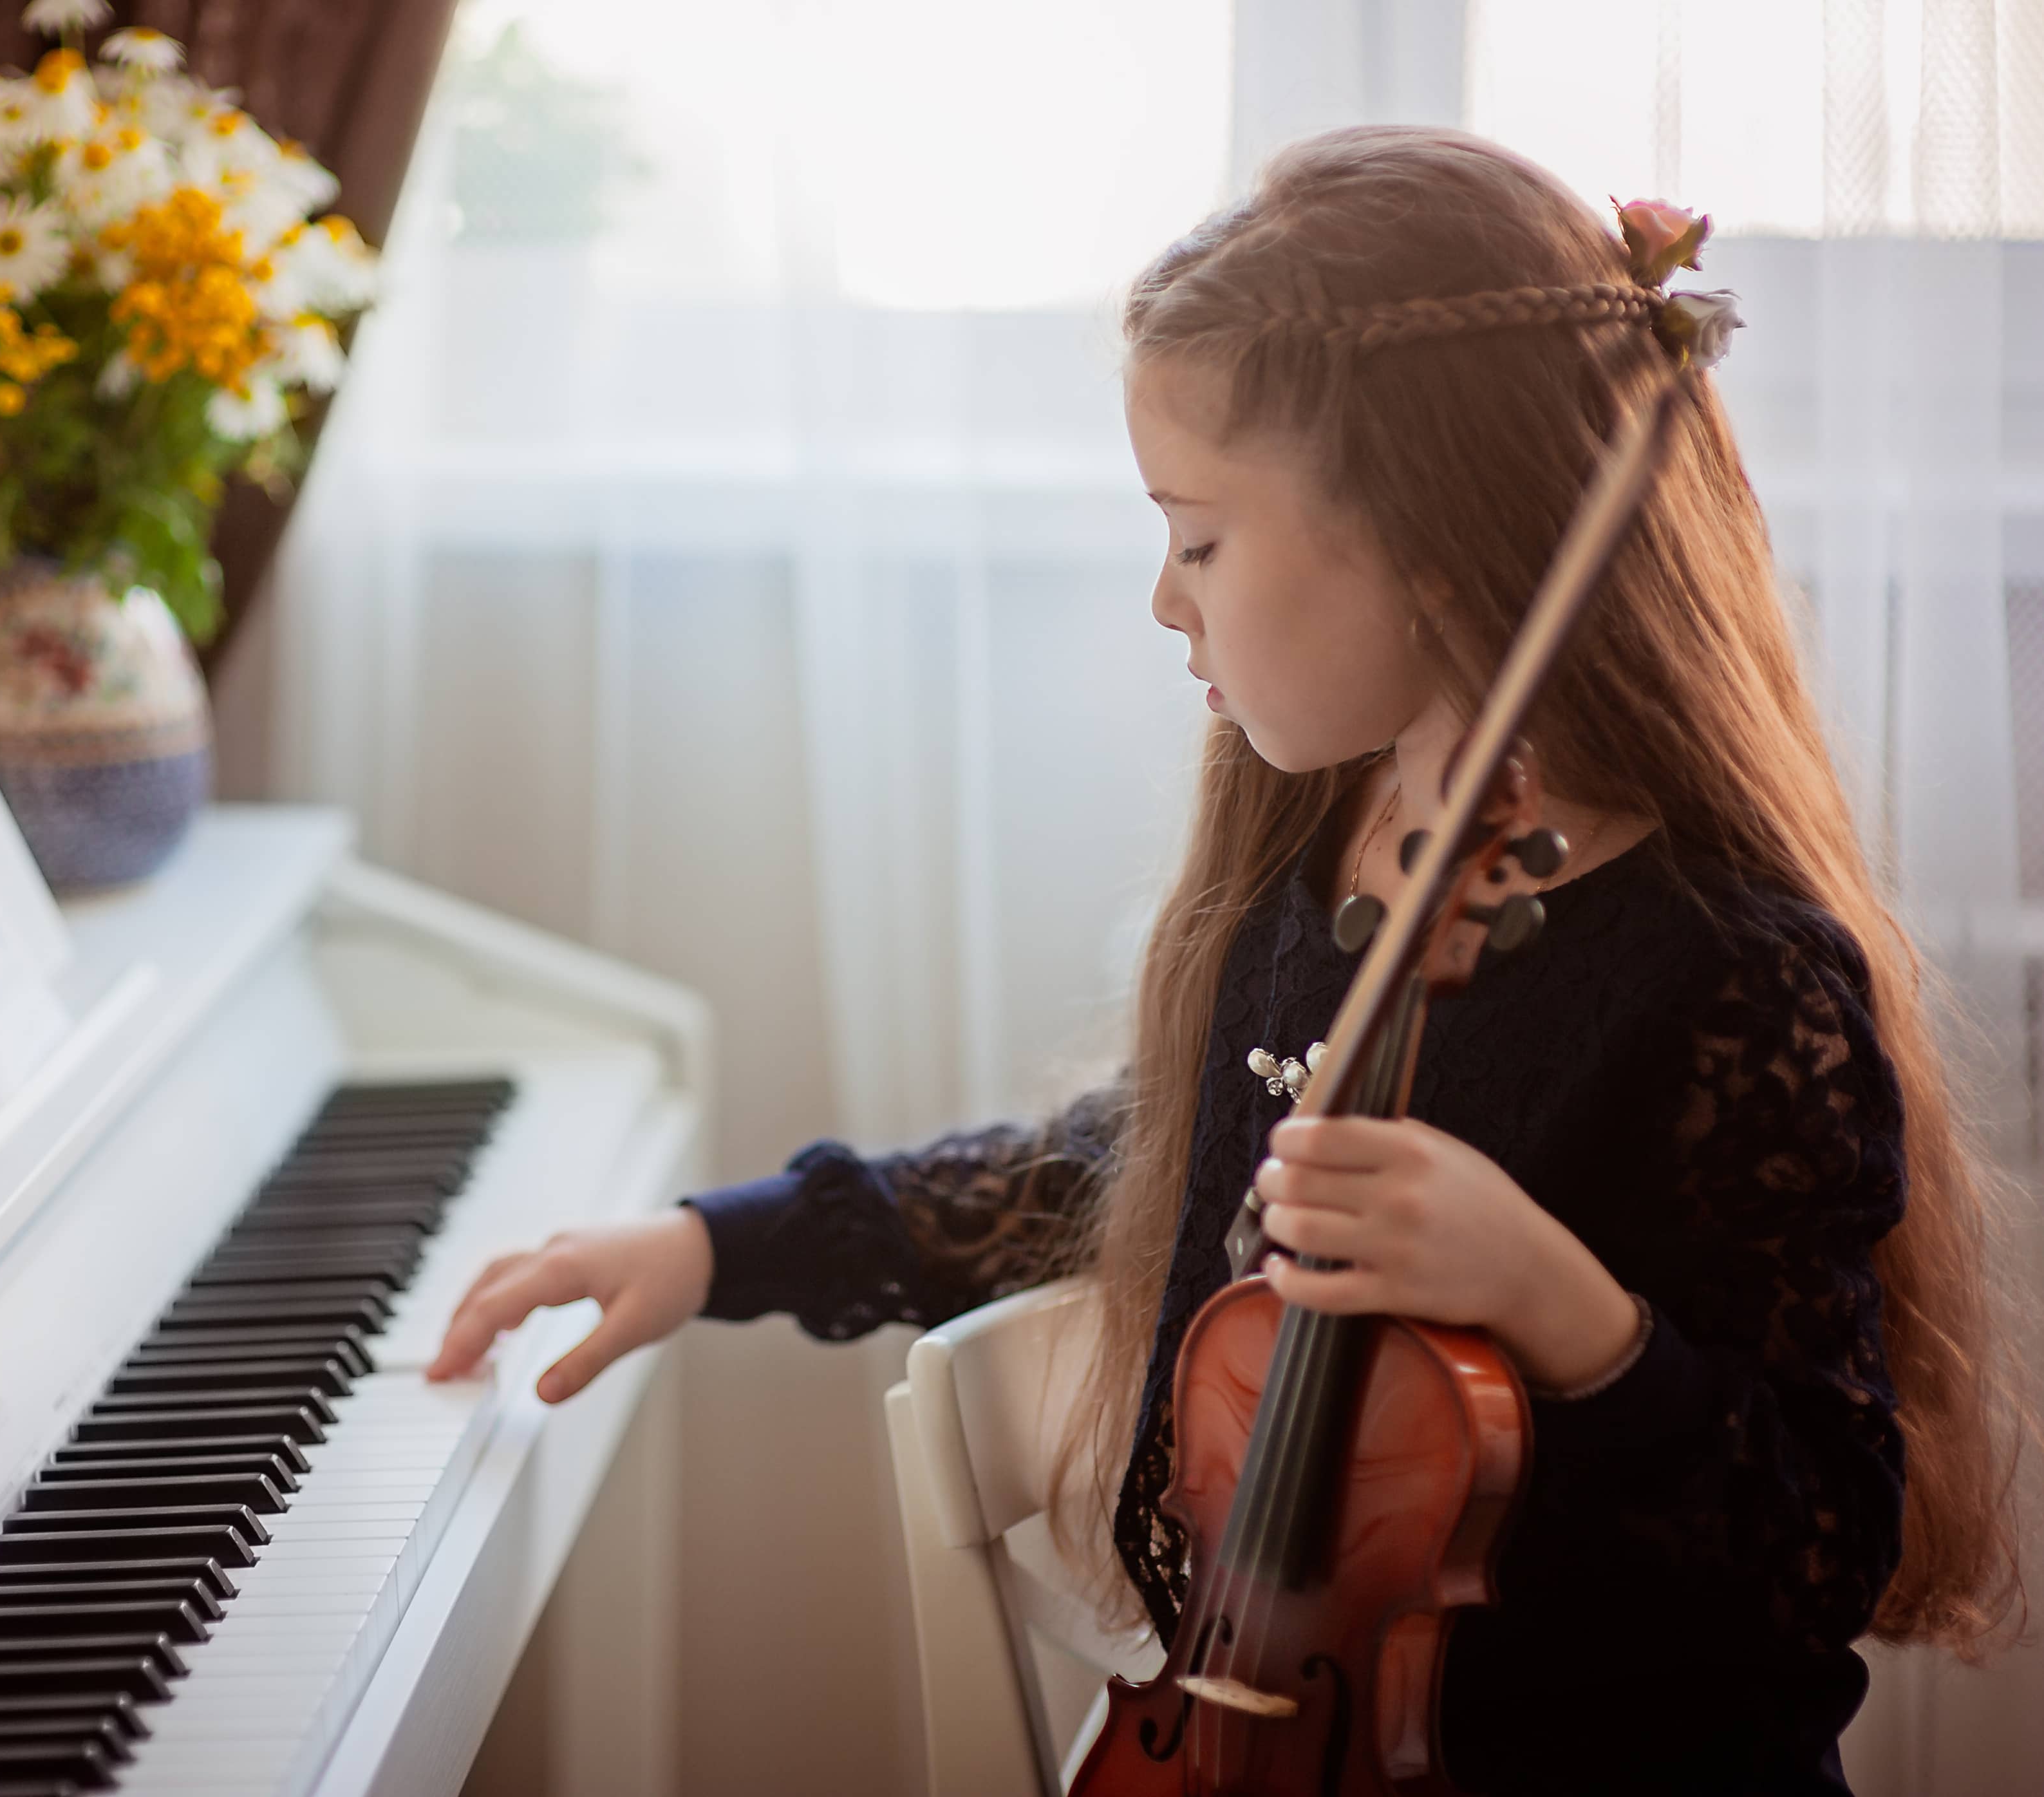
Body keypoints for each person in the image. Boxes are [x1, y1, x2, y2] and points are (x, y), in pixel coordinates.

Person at [425, 124, 2023, 1792]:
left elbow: (1814, 1551)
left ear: (1434, 543)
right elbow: (1135, 1172)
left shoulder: (1734, 982)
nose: (1162, 603)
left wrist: (1566, 1314)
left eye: (1195, 539)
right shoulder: (1313, 856)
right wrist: (711, 1248)